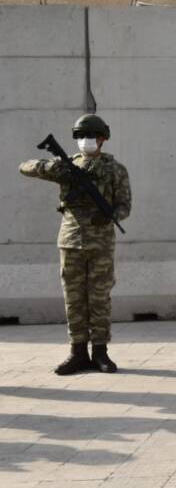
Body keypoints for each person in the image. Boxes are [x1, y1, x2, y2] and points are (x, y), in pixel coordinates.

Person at [19, 114, 131, 375]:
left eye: (91, 136)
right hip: (70, 240)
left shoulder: (115, 169)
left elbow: (124, 205)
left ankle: (100, 351)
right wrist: (52, 168)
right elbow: (24, 167)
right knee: (74, 298)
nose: (85, 141)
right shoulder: (67, 165)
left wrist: (111, 215)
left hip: (101, 242)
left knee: (99, 297)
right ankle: (77, 352)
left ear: (103, 138)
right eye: (81, 136)